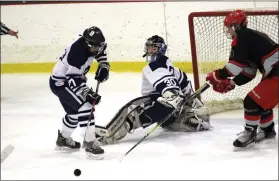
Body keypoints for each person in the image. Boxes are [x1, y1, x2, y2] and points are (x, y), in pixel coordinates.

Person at [95, 35, 211, 145]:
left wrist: (171, 95)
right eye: (149, 48)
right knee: (170, 120)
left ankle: (106, 136)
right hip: (174, 112)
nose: (150, 51)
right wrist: (198, 106)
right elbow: (187, 91)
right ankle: (191, 117)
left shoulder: (153, 67)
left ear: (161, 49)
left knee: (132, 112)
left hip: (162, 106)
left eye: (154, 48)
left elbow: (168, 87)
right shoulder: (175, 70)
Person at [205, 10, 278, 149]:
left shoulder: (243, 37)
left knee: (251, 101)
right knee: (261, 102)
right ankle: (267, 130)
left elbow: (235, 66)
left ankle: (250, 133)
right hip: (273, 72)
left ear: (237, 26)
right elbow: (249, 71)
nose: (227, 30)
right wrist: (232, 83)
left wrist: (217, 75)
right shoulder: (248, 37)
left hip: (276, 72)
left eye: (229, 27)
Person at [49, 26, 110, 159]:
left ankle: (63, 139)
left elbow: (101, 52)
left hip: (68, 80)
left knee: (74, 114)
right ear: (87, 43)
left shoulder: (95, 44)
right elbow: (72, 79)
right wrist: (86, 93)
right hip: (61, 83)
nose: (97, 49)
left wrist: (104, 66)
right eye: (94, 47)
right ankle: (89, 145)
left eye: (98, 46)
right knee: (86, 107)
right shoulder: (77, 54)